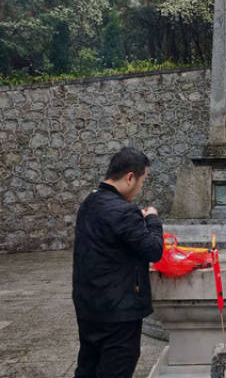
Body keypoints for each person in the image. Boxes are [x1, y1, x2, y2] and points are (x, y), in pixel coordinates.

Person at [72, 147, 163, 378]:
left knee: (88, 368)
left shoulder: (90, 202)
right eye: (142, 181)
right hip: (118, 312)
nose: (141, 187)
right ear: (130, 177)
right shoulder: (124, 212)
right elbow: (153, 250)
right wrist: (152, 219)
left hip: (89, 306)